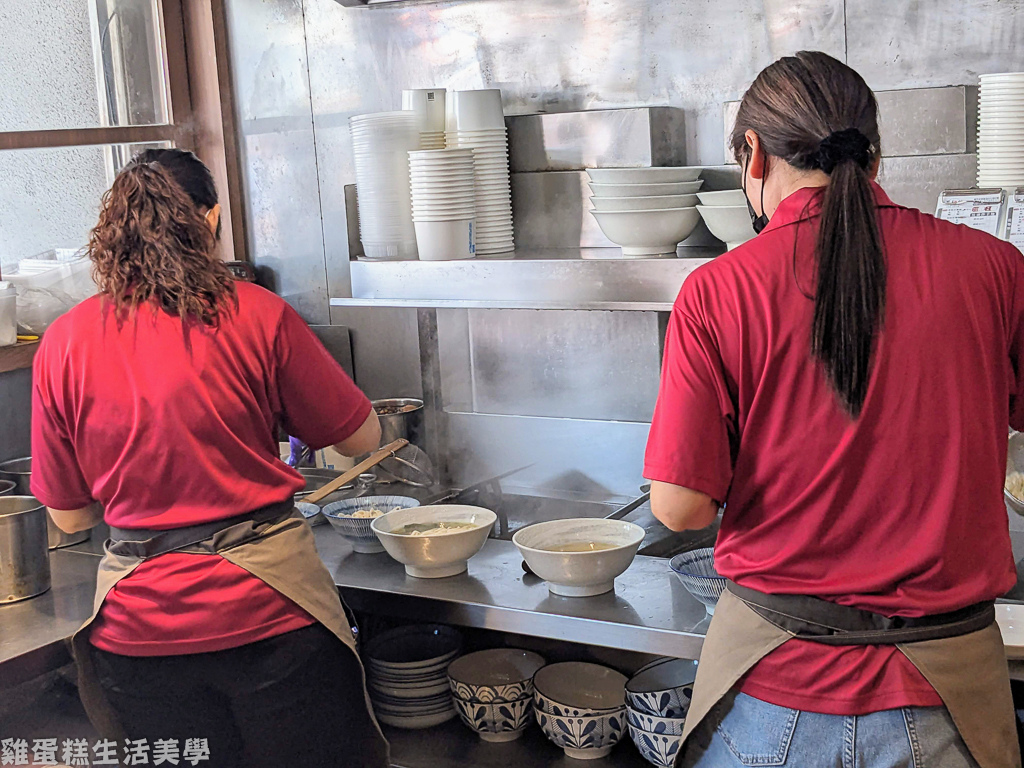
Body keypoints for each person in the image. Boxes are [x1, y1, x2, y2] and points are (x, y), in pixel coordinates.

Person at [644, 51, 1022, 768]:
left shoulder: (718, 291)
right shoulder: (995, 268)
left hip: (773, 690)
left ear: (752, 156)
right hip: (951, 699)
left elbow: (680, 509)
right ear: (876, 155)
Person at [31, 148, 389, 768]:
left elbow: (70, 519)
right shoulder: (256, 312)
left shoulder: (64, 340)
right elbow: (361, 439)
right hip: (273, 616)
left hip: (137, 639)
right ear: (213, 220)